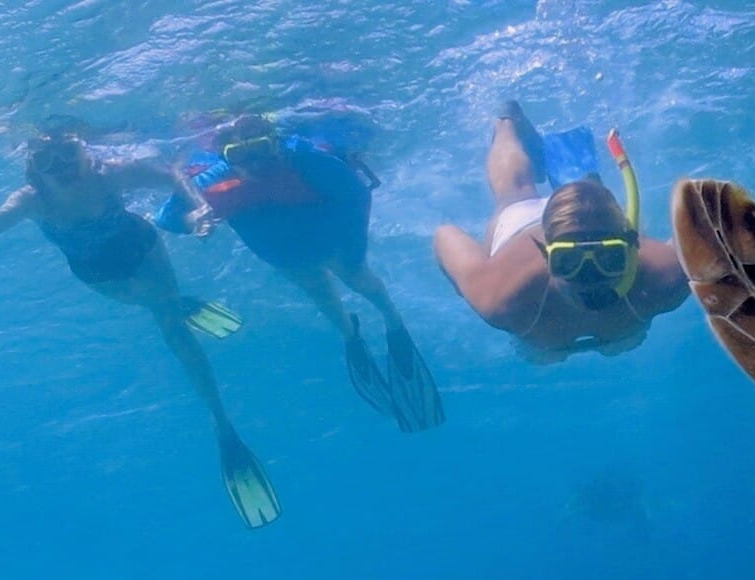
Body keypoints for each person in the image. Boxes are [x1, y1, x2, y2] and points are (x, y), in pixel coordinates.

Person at [0, 131, 280, 529]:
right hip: (100, 274)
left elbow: (173, 176)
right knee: (159, 307)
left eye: (67, 155)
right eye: (48, 162)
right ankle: (172, 304)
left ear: (83, 152)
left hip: (141, 246)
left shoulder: (109, 175)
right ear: (34, 169)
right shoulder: (32, 199)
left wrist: (195, 211)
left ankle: (222, 425)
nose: (62, 168)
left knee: (174, 332)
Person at [158, 111, 444, 431]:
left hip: (328, 239)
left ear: (276, 145)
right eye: (239, 155)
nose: (253, 164)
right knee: (318, 291)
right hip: (284, 255)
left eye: (261, 151)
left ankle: (392, 319)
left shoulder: (306, 160)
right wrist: (193, 218)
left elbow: (356, 195)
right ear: (224, 156)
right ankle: (350, 334)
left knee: (358, 278)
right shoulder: (212, 181)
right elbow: (167, 218)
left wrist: (352, 254)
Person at [431, 101, 689, 363]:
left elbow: (703, 227)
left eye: (609, 259)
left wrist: (467, 284)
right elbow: (445, 236)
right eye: (569, 262)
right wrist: (472, 283)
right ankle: (507, 120)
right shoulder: (501, 296)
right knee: (515, 191)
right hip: (527, 225)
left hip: (571, 251)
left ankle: (582, 184)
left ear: (632, 248)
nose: (590, 279)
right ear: (545, 255)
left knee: (520, 192)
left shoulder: (665, 277)